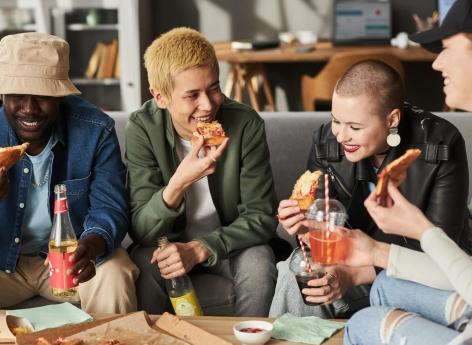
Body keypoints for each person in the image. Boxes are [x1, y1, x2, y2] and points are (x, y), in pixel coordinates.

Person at [270, 57, 470, 318]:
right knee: (293, 270)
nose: (341, 136)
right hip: (351, 259)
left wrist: (354, 274)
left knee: (390, 284)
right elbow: (324, 233)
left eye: (355, 127)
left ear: (392, 119)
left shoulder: (440, 146)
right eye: (336, 121)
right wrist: (302, 226)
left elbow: (440, 251)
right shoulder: (327, 142)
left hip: (419, 270)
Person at [343, 0, 472, 343]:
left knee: (361, 325)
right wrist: (375, 253)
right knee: (386, 284)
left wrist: (423, 230)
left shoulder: (444, 142)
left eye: (446, 48)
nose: (436, 62)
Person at [126, 27, 278, 316]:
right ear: (160, 97)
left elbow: (261, 217)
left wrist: (200, 248)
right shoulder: (142, 128)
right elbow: (142, 231)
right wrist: (180, 181)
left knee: (259, 262)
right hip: (165, 245)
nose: (208, 105)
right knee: (145, 266)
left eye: (213, 88)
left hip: (232, 246)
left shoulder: (246, 125)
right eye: (192, 95)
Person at [0, 32, 138, 313]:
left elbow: (109, 206)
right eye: (17, 96)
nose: (29, 108)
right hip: (4, 265)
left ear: (61, 95)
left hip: (71, 262)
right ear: (2, 93)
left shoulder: (95, 130)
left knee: (115, 273)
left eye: (42, 96)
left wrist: (91, 246)